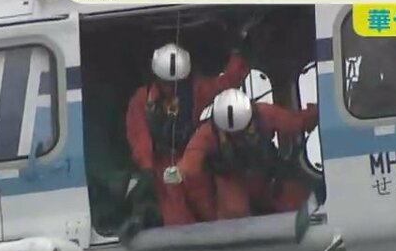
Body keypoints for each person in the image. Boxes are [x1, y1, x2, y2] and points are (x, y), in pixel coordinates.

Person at [124, 38, 251, 228]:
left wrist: (238, 53)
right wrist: (147, 169)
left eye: (176, 82)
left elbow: (224, 84)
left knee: (212, 211)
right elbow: (140, 136)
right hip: (164, 167)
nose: (171, 87)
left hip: (194, 160)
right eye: (166, 82)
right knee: (177, 218)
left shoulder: (196, 90)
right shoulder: (142, 99)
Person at [178, 88, 319, 221]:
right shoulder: (207, 134)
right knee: (234, 214)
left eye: (244, 130)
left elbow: (294, 122)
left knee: (296, 201)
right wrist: (207, 209)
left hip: (266, 175)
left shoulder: (264, 114)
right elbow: (190, 166)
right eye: (232, 134)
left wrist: (316, 112)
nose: (238, 137)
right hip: (232, 180)